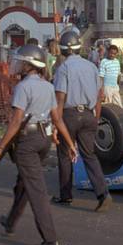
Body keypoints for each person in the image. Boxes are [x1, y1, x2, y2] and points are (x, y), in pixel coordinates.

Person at [0, 45, 77, 245]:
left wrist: (0, 147)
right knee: (24, 183)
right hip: (43, 140)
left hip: (27, 142)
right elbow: (57, 120)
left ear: (29, 65)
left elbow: (16, 121)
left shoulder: (23, 87)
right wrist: (70, 144)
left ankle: (50, 239)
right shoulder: (47, 86)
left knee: (36, 189)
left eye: (20, 61)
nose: (16, 65)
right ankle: (10, 221)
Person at [52, 28, 112, 212]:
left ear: (63, 49)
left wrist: (56, 125)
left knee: (64, 155)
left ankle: (66, 196)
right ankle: (103, 194)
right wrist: (96, 117)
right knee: (89, 155)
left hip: (69, 116)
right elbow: (99, 96)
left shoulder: (63, 69)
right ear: (79, 48)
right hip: (88, 115)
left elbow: (60, 99)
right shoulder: (91, 67)